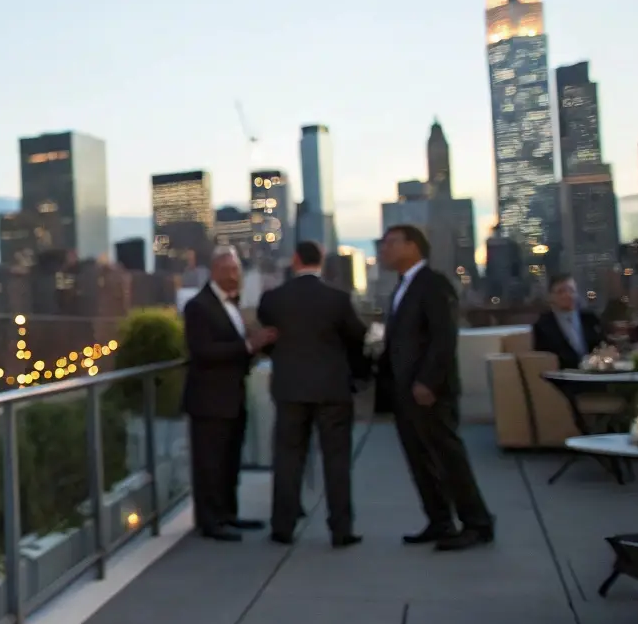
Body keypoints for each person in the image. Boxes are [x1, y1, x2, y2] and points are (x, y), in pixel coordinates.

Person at [375, 224, 494, 551]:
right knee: (420, 460)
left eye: (390, 243)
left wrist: (428, 381)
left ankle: (477, 523)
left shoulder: (433, 284)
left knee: (448, 457)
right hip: (403, 393)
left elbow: (443, 337)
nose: (383, 249)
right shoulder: (401, 287)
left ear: (412, 246)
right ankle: (440, 520)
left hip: (429, 392)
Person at [257, 241, 367, 547]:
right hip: (332, 389)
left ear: (295, 260)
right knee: (337, 461)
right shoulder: (338, 299)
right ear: (321, 261)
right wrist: (356, 375)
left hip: (290, 389)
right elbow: (357, 337)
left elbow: (267, 339)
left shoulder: (273, 299)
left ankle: (283, 526)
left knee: (288, 459)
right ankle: (341, 529)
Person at [180, 247, 276, 541]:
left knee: (229, 461)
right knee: (210, 463)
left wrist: (256, 348)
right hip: (209, 401)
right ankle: (210, 522)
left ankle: (228, 515)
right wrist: (249, 346)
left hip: (231, 398)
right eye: (228, 270)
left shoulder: (232, 306)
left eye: (237, 270)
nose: (235, 276)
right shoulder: (199, 306)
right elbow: (202, 352)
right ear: (214, 272)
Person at [532, 273, 606, 369]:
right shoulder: (543, 326)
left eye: (571, 290)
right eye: (561, 292)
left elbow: (602, 345)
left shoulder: (590, 318)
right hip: (565, 377)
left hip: (595, 372)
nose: (567, 295)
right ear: (551, 296)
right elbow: (544, 360)